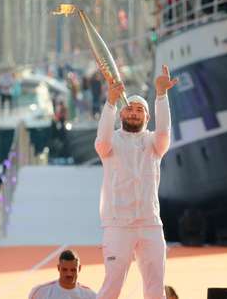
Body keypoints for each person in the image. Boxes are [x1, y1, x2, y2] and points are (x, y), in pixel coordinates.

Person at [95, 65, 179, 299]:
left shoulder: (154, 144)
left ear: (147, 116)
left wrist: (161, 96)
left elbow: (165, 133)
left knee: (155, 290)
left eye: (139, 110)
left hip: (150, 224)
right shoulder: (111, 143)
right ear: (121, 114)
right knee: (112, 287)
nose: (133, 113)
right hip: (117, 225)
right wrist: (110, 103)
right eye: (129, 109)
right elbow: (101, 141)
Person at [28, 250, 95, 299]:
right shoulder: (40, 292)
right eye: (64, 270)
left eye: (73, 270)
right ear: (58, 268)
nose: (69, 274)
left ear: (79, 268)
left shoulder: (90, 295)